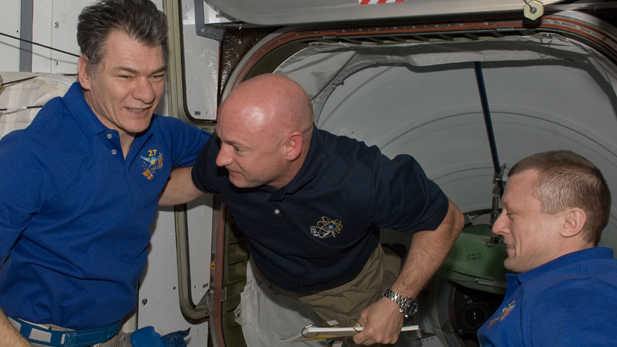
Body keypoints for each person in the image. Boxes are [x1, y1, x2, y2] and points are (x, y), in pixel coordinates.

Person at [163, 73, 464, 345]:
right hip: (273, 275)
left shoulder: (360, 178)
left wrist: (397, 302)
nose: (220, 158)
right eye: (221, 141)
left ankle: (399, 271)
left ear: (290, 147)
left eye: (238, 148)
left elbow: (447, 220)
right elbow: (189, 183)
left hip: (345, 287)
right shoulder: (225, 156)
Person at [0, 0, 210, 346]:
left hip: (113, 336)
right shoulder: (30, 154)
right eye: (126, 75)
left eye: (156, 75)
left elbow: (229, 155)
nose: (146, 94)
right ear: (86, 72)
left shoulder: (163, 135)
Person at [477, 150, 617, 346]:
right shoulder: (565, 288)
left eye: (513, 214)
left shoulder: (578, 298)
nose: (497, 227)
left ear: (570, 222)